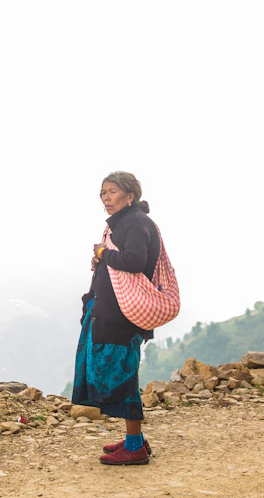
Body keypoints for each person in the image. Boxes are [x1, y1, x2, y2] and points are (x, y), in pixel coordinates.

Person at [72, 171, 160, 465]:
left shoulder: (135, 223)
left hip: (122, 318)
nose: (105, 198)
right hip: (112, 313)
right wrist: (103, 258)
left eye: (111, 192)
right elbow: (121, 260)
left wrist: (102, 252)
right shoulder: (124, 224)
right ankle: (134, 439)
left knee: (123, 377)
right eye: (102, 193)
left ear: (130, 196)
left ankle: (134, 447)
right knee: (120, 374)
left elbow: (134, 261)